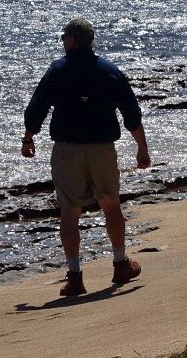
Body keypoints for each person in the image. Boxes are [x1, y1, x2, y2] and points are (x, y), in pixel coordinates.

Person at [21, 17, 151, 297]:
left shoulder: (58, 70)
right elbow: (131, 112)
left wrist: (29, 137)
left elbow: (37, 107)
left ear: (71, 40)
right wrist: (142, 147)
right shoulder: (109, 71)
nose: (62, 42)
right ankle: (120, 264)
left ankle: (75, 276)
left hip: (67, 150)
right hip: (102, 148)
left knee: (69, 211)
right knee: (110, 205)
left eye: (64, 37)